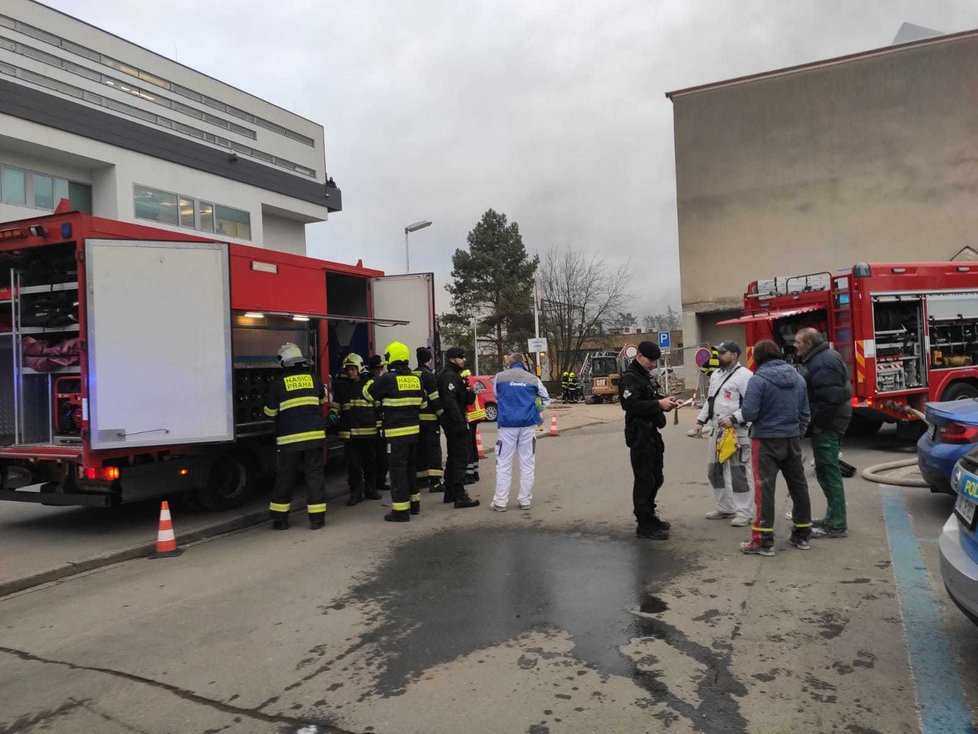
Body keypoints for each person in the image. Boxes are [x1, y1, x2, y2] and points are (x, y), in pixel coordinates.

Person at [738, 339, 813, 556]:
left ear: (759, 357)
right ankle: (802, 534)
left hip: (765, 441)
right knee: (799, 488)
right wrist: (796, 432)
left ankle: (763, 541)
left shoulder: (758, 380)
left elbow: (750, 412)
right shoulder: (798, 379)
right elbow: (805, 412)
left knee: (765, 489)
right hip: (791, 439)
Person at [263, 342, 330, 530]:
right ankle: (317, 520)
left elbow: (270, 413)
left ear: (285, 362)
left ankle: (280, 519)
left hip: (289, 440)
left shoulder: (278, 384)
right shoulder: (314, 379)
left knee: (285, 476)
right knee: (314, 476)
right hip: (314, 437)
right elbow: (323, 400)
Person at [794, 327, 852, 539]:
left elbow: (830, 399)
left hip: (829, 423)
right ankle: (832, 517)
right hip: (830, 421)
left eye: (798, 342)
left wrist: (815, 424)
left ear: (809, 344)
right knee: (824, 470)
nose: (795, 345)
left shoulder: (823, 362)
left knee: (828, 470)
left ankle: (836, 525)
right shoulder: (821, 358)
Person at [619, 341, 681, 540]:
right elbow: (631, 405)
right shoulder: (630, 378)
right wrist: (658, 404)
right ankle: (643, 523)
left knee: (656, 477)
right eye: (650, 360)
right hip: (639, 434)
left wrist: (667, 402)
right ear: (638, 356)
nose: (653, 364)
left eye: (655, 361)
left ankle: (650, 515)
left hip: (652, 432)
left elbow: (654, 397)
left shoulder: (645, 377)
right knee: (644, 479)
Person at [363, 342, 426, 522]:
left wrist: (372, 378)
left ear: (391, 358)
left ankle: (400, 511)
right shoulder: (416, 379)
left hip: (395, 435)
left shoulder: (387, 379)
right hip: (414, 433)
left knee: (397, 472)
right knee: (410, 469)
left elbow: (367, 394)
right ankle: (414, 505)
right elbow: (423, 404)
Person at [694, 341, 755, 526]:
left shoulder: (745, 376)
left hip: (737, 431)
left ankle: (744, 512)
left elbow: (751, 405)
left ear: (734, 355)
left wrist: (734, 418)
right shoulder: (716, 375)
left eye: (723, 353)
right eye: (718, 352)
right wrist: (700, 421)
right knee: (715, 471)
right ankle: (725, 507)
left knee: (739, 472)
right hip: (717, 430)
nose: (718, 356)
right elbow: (710, 401)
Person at [490, 352, 550, 511]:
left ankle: (500, 501)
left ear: (509, 363)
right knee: (527, 462)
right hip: (528, 425)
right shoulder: (532, 379)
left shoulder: (499, 377)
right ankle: (525, 500)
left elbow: (496, 396)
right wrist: (536, 409)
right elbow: (546, 399)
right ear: (523, 362)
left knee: (503, 463)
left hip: (507, 425)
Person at [329, 353, 381, 506]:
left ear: (359, 369)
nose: (350, 372)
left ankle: (371, 490)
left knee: (370, 463)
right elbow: (336, 404)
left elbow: (378, 407)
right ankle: (355, 493)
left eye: (352, 369)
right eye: (348, 369)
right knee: (353, 465)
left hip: (368, 432)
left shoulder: (369, 384)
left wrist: (380, 426)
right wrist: (333, 413)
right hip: (349, 433)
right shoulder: (342, 385)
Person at [437, 347, 481, 508]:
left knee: (453, 457)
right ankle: (460, 495)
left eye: (464, 357)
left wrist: (471, 391)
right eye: (460, 357)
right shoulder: (449, 376)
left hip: (455, 421)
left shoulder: (455, 376)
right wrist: (460, 423)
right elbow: (450, 402)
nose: (464, 360)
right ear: (451, 359)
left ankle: (450, 493)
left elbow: (463, 400)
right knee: (460, 457)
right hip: (455, 423)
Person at [414, 347, 445, 493]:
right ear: (429, 360)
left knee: (420, 451)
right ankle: (435, 482)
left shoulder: (412, 374)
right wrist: (443, 415)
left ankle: (421, 480)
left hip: (416, 421)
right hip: (430, 420)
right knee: (433, 451)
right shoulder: (429, 375)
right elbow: (434, 398)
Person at [366, 354, 389, 495]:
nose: (382, 370)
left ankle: (381, 481)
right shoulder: (371, 382)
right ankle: (374, 484)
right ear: (375, 369)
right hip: (372, 424)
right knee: (375, 456)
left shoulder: (378, 380)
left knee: (382, 455)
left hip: (382, 424)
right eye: (380, 367)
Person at [461, 369, 486, 484]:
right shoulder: (474, 380)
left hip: (469, 416)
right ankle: (475, 472)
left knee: (467, 446)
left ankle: (469, 474)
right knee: (473, 444)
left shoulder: (464, 382)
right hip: (476, 416)